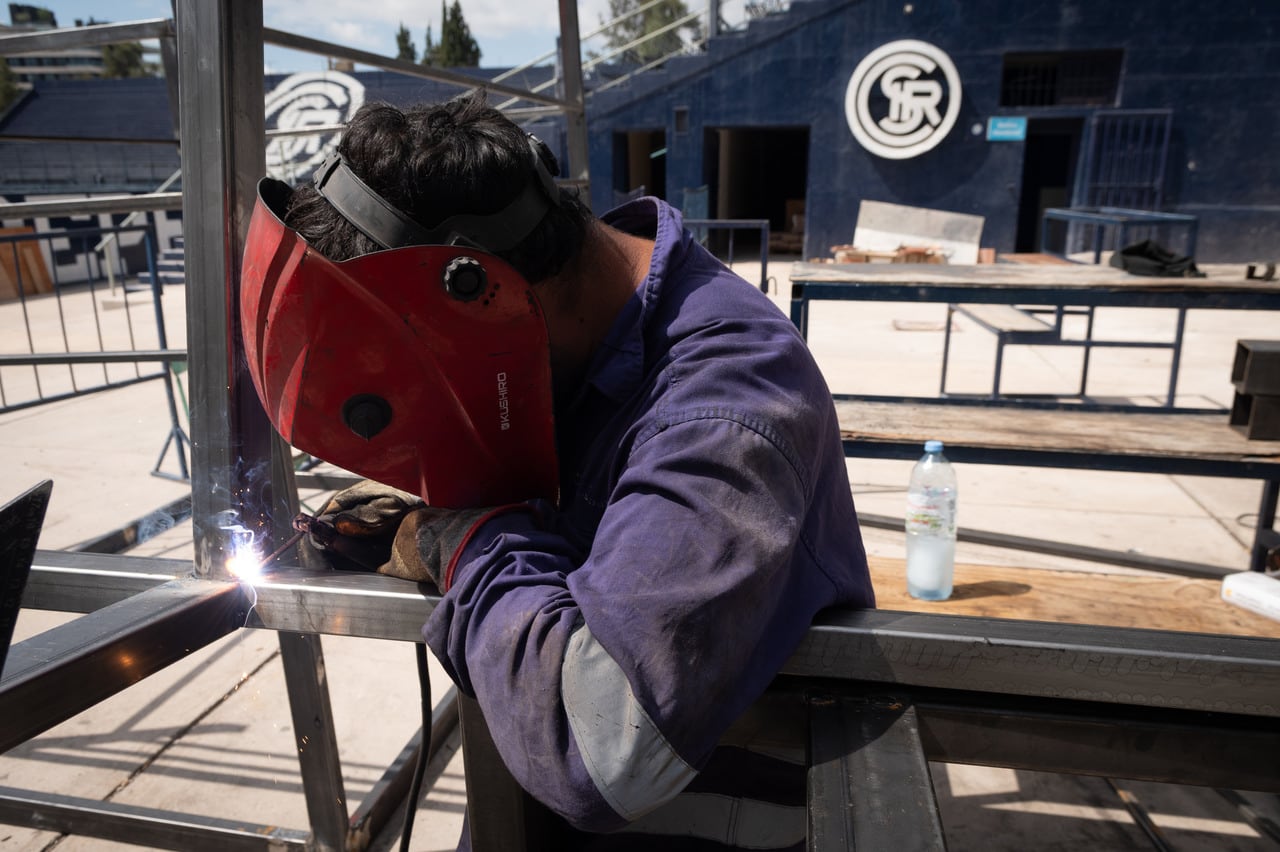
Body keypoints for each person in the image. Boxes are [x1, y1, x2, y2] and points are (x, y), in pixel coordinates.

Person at [241, 90, 875, 851]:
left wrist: (469, 541)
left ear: (481, 295)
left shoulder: (723, 404)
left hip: (714, 817)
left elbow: (602, 751)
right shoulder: (578, 343)